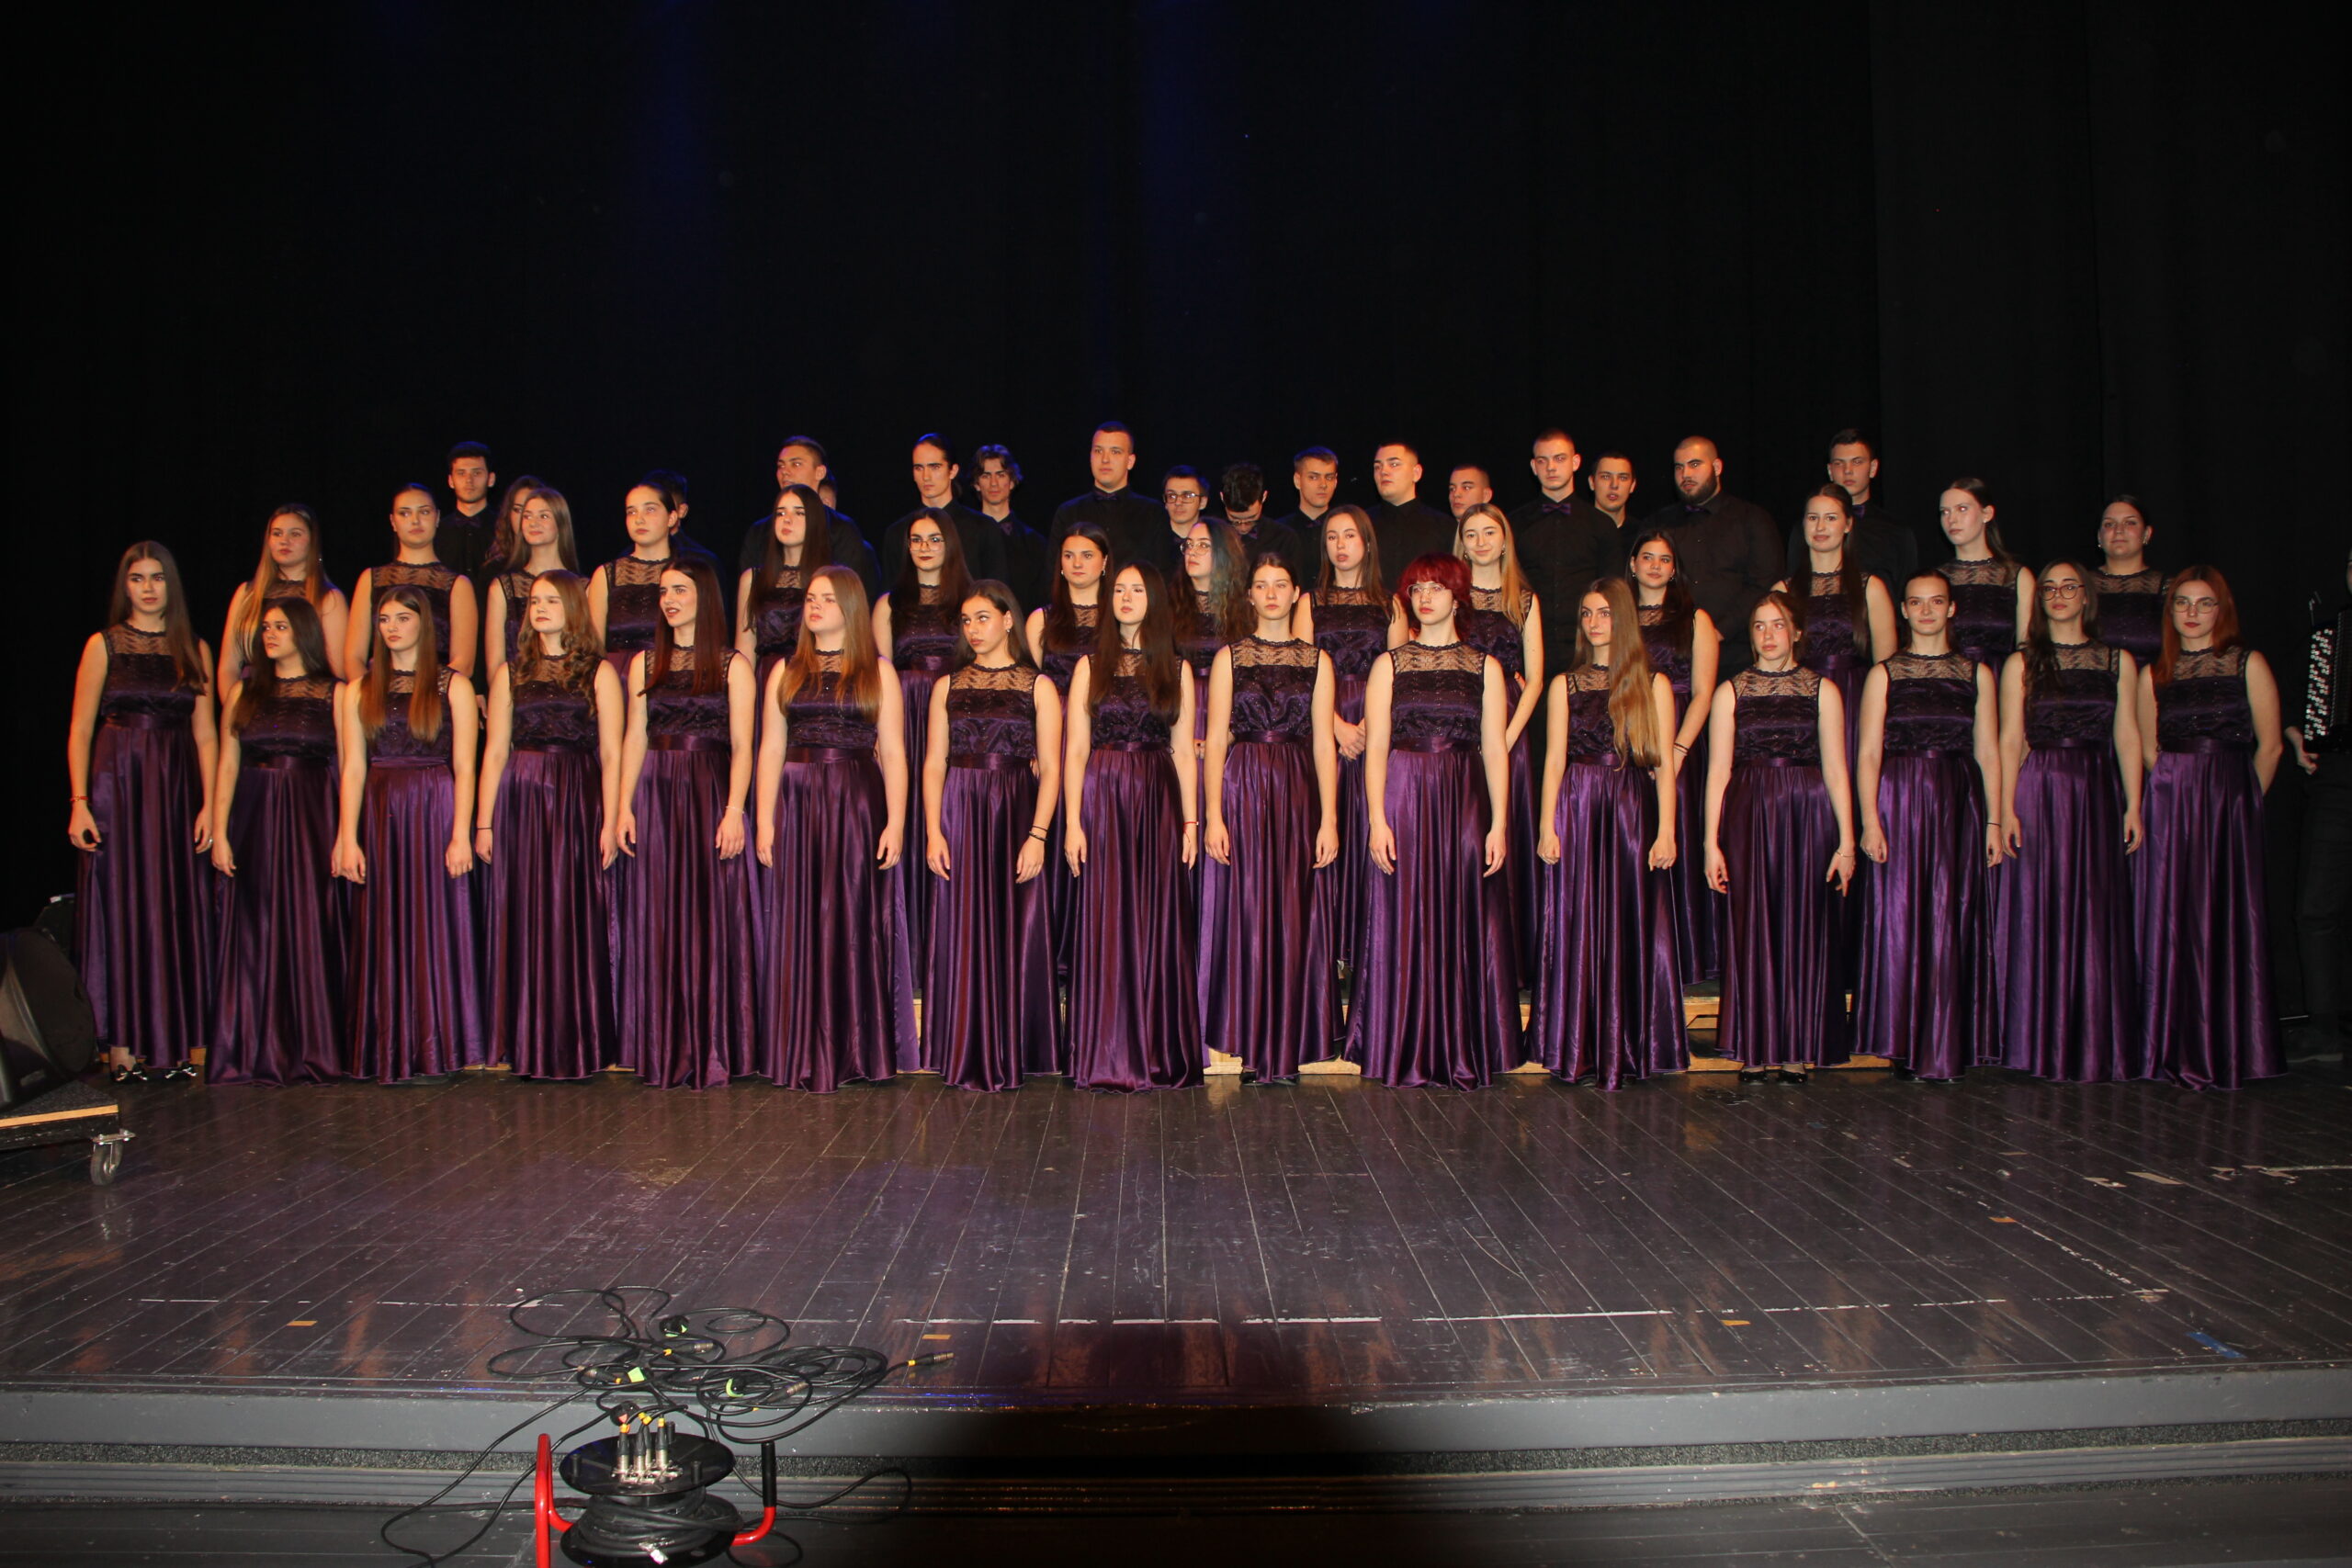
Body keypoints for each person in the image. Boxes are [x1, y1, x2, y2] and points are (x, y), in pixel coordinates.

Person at [1347, 553, 1519, 1089]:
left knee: (1462, 916)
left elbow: (1495, 750)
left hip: (1463, 800)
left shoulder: (1486, 667)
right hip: (1403, 796)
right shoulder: (1388, 665)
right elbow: (1376, 748)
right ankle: (1401, 1045)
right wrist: (1377, 819)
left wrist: (1499, 823)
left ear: (1457, 597)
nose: (1424, 597)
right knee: (1401, 917)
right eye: (1417, 588)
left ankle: (1460, 1046)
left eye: (1436, 588)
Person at [755, 566, 914, 1089]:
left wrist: (896, 822)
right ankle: (802, 1049)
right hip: (798, 801)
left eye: (826, 598)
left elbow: (893, 752)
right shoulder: (785, 671)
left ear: (849, 606)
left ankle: (853, 1050)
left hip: (854, 801)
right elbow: (771, 748)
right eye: (810, 598)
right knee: (801, 918)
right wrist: (764, 819)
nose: (814, 605)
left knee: (851, 917)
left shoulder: (878, 671)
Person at [66, 544, 218, 1080]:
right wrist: (79, 803)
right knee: (122, 904)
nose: (149, 588)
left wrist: (210, 805)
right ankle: (122, 1046)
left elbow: (206, 735)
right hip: (118, 786)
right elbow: (80, 728)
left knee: (173, 906)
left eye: (157, 578)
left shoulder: (194, 647)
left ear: (172, 584)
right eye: (137, 578)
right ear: (124, 586)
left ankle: (179, 1043)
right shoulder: (103, 645)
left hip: (175, 789)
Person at [1529, 578, 1684, 1089]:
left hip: (1629, 809)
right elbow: (1554, 761)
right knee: (1577, 922)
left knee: (1629, 920)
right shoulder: (1565, 685)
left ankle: (1629, 1046)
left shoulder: (1654, 684)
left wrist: (1666, 830)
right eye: (1587, 613)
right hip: (1577, 806)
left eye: (1604, 613)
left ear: (1624, 619)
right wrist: (1547, 824)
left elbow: (1663, 766)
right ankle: (1575, 1046)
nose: (1594, 623)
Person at [2134, 566, 2285, 1089]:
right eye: (2182, 603)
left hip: (2230, 803)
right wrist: (2179, 791)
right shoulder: (2155, 673)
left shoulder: (2247, 663)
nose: (2192, 613)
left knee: (2225, 916)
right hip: (2173, 803)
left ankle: (2232, 1046)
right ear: (2170, 612)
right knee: (2176, 918)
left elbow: (2271, 746)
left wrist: (2241, 801)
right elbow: (2149, 749)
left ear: (2222, 610)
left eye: (2203, 603)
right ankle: (2172, 1044)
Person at [1996, 561, 2144, 1081]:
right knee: (2041, 909)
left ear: (2086, 596)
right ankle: (2039, 1039)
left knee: (2096, 912)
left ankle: (2094, 1041)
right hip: (2040, 788)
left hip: (2097, 790)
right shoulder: (2021, 663)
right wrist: (2005, 808)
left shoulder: (2117, 660)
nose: (2059, 595)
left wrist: (2134, 804)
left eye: (2069, 587)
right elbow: (2010, 739)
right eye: (2050, 589)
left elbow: (2128, 735)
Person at [1852, 572, 2003, 1081]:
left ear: (1951, 609)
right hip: (1900, 800)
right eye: (1916, 602)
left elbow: (1988, 752)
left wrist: (1994, 820)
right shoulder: (1885, 674)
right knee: (1901, 918)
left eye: (1936, 602)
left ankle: (1948, 1042)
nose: (1926, 610)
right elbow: (1868, 753)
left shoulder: (1976, 674)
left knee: (1952, 915)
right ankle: (1904, 1040)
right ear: (1903, 609)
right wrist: (1870, 820)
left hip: (1959, 802)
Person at [1702, 592, 1857, 1082]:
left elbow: (1837, 769)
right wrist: (1710, 843)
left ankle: (1796, 1047)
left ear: (1796, 632)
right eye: (1759, 626)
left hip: (1808, 815)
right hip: (1748, 816)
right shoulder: (1731, 692)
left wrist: (1847, 842)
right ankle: (1755, 1045)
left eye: (1777, 625)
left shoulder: (1822, 690)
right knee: (1752, 928)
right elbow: (1718, 772)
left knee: (1804, 926)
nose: (1768, 635)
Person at [615, 558, 756, 1089]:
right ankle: (663, 1045)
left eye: (680, 589)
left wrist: (734, 809)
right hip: (656, 792)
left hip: (707, 792)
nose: (669, 600)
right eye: (664, 591)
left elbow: (743, 745)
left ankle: (713, 1043)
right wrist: (623, 805)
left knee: (708, 915)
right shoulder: (644, 662)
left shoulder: (732, 665)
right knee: (660, 915)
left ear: (704, 596)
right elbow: (635, 736)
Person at [474, 570, 620, 1080]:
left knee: (571, 912)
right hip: (522, 797)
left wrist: (610, 819)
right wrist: (483, 822)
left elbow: (611, 752)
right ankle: (526, 1040)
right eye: (534, 601)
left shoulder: (599, 672)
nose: (539, 608)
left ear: (574, 608)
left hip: (577, 796)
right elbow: (495, 751)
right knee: (525, 913)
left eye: (551, 600)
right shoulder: (510, 673)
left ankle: (576, 1039)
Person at [334, 585, 481, 1083]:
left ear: (425, 624)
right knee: (383, 925)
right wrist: (346, 836)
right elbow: (353, 768)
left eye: (402, 617)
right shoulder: (360, 689)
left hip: (433, 806)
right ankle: (387, 1046)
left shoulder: (452, 686)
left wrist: (461, 833)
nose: (392, 627)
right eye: (384, 619)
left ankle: (436, 1045)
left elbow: (465, 765)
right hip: (380, 812)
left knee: (433, 924)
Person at [1063, 563, 1201, 1090]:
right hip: (1102, 796)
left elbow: (1183, 752)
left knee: (1156, 917)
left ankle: (1157, 1050)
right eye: (1118, 589)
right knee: (1107, 917)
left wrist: (1191, 821)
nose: (1125, 596)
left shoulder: (1177, 669)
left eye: (1137, 589)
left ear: (1155, 599)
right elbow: (1076, 750)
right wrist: (1072, 822)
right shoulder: (1089, 666)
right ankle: (1108, 1053)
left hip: (1156, 795)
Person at [1202, 553, 1339, 1080]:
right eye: (1262, 585)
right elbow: (1216, 741)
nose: (1272, 594)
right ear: (1250, 596)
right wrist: (1214, 814)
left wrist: (1329, 819)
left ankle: (1287, 1043)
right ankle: (1252, 1040)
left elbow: (1324, 744)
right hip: (1244, 784)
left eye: (1281, 584)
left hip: (1297, 789)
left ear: (1296, 593)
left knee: (1293, 911)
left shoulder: (1318, 660)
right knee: (1248, 910)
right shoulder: (1229, 658)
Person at [922, 580, 1064, 1089]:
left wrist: (1038, 834)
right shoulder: (947, 685)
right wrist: (933, 830)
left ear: (1008, 620)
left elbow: (1052, 767)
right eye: (966, 621)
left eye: (983, 618)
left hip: (1014, 810)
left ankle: (1015, 1046)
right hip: (960, 810)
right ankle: (964, 1047)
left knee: (1014, 928)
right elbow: (934, 763)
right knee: (963, 928)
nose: (973, 629)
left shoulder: (1038, 686)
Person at [209, 598, 344, 1084]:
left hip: (311, 814)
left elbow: (348, 766)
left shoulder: (333, 692)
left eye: (281, 627)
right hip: (254, 815)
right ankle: (250, 1049)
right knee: (255, 925)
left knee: (309, 922)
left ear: (303, 632)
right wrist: (220, 831)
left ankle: (312, 1048)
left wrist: (346, 834)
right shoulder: (245, 691)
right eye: (266, 627)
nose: (269, 635)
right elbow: (228, 763)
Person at [874, 509, 971, 1004]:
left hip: (955, 714)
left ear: (949, 543)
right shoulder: (890, 604)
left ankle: (946, 953)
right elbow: (877, 672)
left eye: (934, 539)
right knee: (906, 821)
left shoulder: (968, 600)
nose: (925, 547)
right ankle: (907, 956)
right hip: (904, 716)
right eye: (916, 539)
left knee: (947, 820)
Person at [1306, 505, 1401, 989]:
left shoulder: (1391, 604)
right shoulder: (1309, 602)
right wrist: (1337, 726)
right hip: (1324, 726)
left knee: (1369, 826)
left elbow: (1402, 670)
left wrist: (1368, 725)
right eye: (1332, 537)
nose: (1340, 545)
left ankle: (1366, 947)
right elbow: (1298, 671)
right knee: (1326, 827)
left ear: (1367, 542)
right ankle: (1328, 950)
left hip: (1376, 725)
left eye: (1349, 536)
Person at [1454, 503, 1545, 975]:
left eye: (1490, 532)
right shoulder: (1451, 596)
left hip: (1509, 722)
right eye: (1471, 534)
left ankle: (1507, 958)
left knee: (1505, 829)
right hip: (1459, 715)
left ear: (1505, 539)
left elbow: (1536, 679)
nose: (1481, 542)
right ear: (1462, 543)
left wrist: (1507, 739)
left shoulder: (1524, 600)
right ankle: (1464, 947)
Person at [1631, 529, 1723, 982]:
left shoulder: (1695, 619)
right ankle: (1643, 950)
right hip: (1632, 733)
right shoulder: (1619, 616)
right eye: (1647, 557)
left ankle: (1684, 954)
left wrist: (1679, 749)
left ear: (1674, 569)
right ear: (1632, 565)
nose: (1655, 566)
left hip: (1682, 732)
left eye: (1664, 559)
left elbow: (1704, 692)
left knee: (1678, 833)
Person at [1026, 524, 1113, 984]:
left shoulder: (1119, 615)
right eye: (1068, 555)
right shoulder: (1041, 619)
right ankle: (1051, 953)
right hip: (1050, 734)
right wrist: (1031, 745)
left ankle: (1088, 952)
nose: (1077, 563)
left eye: (1087, 554)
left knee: (1090, 831)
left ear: (1105, 562)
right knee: (1052, 828)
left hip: (1099, 734)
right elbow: (1025, 688)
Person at [2285, 550, 2352, 1061]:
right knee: (2316, 905)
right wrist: (2299, 732)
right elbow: (2299, 703)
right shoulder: (2331, 633)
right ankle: (2324, 1025)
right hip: (2338, 778)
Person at [1651, 436, 1781, 664]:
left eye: (1694, 464)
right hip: (1673, 653)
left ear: (1717, 467)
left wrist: (1719, 631)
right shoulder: (1659, 524)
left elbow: (1764, 583)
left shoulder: (1751, 519)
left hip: (1737, 653)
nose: (1685, 474)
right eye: (1679, 467)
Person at [348, 483, 479, 677]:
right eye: (405, 513)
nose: (415, 521)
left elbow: (463, 663)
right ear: (393, 522)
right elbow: (353, 658)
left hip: (437, 691)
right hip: (378, 691)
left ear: (437, 517)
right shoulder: (370, 579)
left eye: (424, 512)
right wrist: (371, 690)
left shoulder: (457, 585)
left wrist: (425, 691)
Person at [217, 504, 349, 694]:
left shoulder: (328, 598)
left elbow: (336, 674)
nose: (284, 541)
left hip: (306, 701)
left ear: (312, 541)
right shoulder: (247, 594)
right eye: (277, 534)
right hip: (252, 698)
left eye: (295, 534)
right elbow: (228, 667)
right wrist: (234, 706)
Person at [1509, 429, 1616, 663]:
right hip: (1529, 644)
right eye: (1542, 460)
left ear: (1575, 462)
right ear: (1533, 466)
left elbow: (1612, 590)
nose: (1551, 467)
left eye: (1559, 458)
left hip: (1586, 643)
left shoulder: (1600, 524)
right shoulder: (1514, 524)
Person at [736, 436, 879, 597]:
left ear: (820, 472)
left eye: (796, 464)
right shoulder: (760, 531)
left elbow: (851, 593)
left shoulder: (841, 529)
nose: (785, 472)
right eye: (781, 466)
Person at [1783, 429, 1917, 590]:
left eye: (1857, 462)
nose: (1848, 470)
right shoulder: (1806, 530)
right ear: (1830, 471)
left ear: (1873, 468)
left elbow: (1908, 592)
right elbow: (1793, 586)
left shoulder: (1896, 532)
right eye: (1839, 463)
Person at [591, 479, 694, 684]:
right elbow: (594, 649)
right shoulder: (606, 575)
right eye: (631, 512)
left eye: (650, 510)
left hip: (673, 681)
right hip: (619, 681)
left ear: (672, 517)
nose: (639, 519)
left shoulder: (691, 573)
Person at [877, 434, 1008, 588]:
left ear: (953, 471)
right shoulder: (898, 533)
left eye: (934, 467)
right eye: (919, 468)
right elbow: (891, 593)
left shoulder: (983, 528)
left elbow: (997, 592)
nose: (926, 476)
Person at [735, 483, 831, 689]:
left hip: (813, 681)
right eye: (780, 513)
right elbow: (745, 650)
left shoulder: (830, 579)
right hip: (766, 680)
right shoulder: (753, 579)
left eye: (799, 513)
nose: (787, 519)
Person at [483, 486, 582, 682]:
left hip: (570, 691)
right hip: (517, 691)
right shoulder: (503, 587)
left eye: (543, 516)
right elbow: (495, 664)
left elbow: (588, 653)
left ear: (561, 522)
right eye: (527, 516)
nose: (533, 523)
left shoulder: (582, 586)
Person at [1937, 479, 2035, 672]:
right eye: (1944, 512)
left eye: (1962, 509)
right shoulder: (1936, 579)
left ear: (1987, 513)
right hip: (1949, 682)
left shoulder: (2016, 576)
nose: (1952, 519)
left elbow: (2028, 651)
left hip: (2002, 680)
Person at [1050, 422, 1171, 574]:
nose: (1105, 459)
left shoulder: (1153, 513)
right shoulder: (1068, 512)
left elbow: (1161, 575)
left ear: (1130, 461)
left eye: (1115, 452)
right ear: (1090, 457)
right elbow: (1053, 573)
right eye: (1098, 451)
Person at [971, 444, 1052, 613]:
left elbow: (1043, 599)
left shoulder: (1035, 543)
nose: (994, 483)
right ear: (977, 483)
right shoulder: (964, 537)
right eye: (986, 475)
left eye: (1001, 475)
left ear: (1012, 481)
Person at [2090, 495, 2166, 667]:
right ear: (2099, 537)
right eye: (2109, 524)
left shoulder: (2169, 588)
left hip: (2154, 683)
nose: (2119, 530)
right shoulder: (2079, 587)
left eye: (2130, 523)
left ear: (2147, 533)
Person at [1217, 461, 1313, 590]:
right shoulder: (1212, 536)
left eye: (1251, 519)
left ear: (1264, 497)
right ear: (1222, 498)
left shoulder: (1284, 539)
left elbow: (1295, 589)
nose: (1243, 527)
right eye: (1235, 520)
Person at [1367, 441, 1454, 569]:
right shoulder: (1362, 524)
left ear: (1416, 473)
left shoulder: (1444, 527)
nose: (1383, 471)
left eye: (1394, 464)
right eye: (1377, 467)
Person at [437, 441, 499, 581]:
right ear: (450, 481)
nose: (469, 480)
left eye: (476, 473)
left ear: (491, 479)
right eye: (461, 473)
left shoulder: (505, 529)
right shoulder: (437, 531)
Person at [1272, 446, 1340, 557]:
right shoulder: (1279, 533)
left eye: (1329, 478)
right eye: (1313, 477)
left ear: (1336, 481)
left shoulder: (1346, 528)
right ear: (1297, 481)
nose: (1323, 485)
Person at [1588, 450, 1637, 532]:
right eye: (1606, 477)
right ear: (1592, 483)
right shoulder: (1575, 531)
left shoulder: (1642, 534)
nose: (1614, 485)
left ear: (1632, 485)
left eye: (1623, 478)